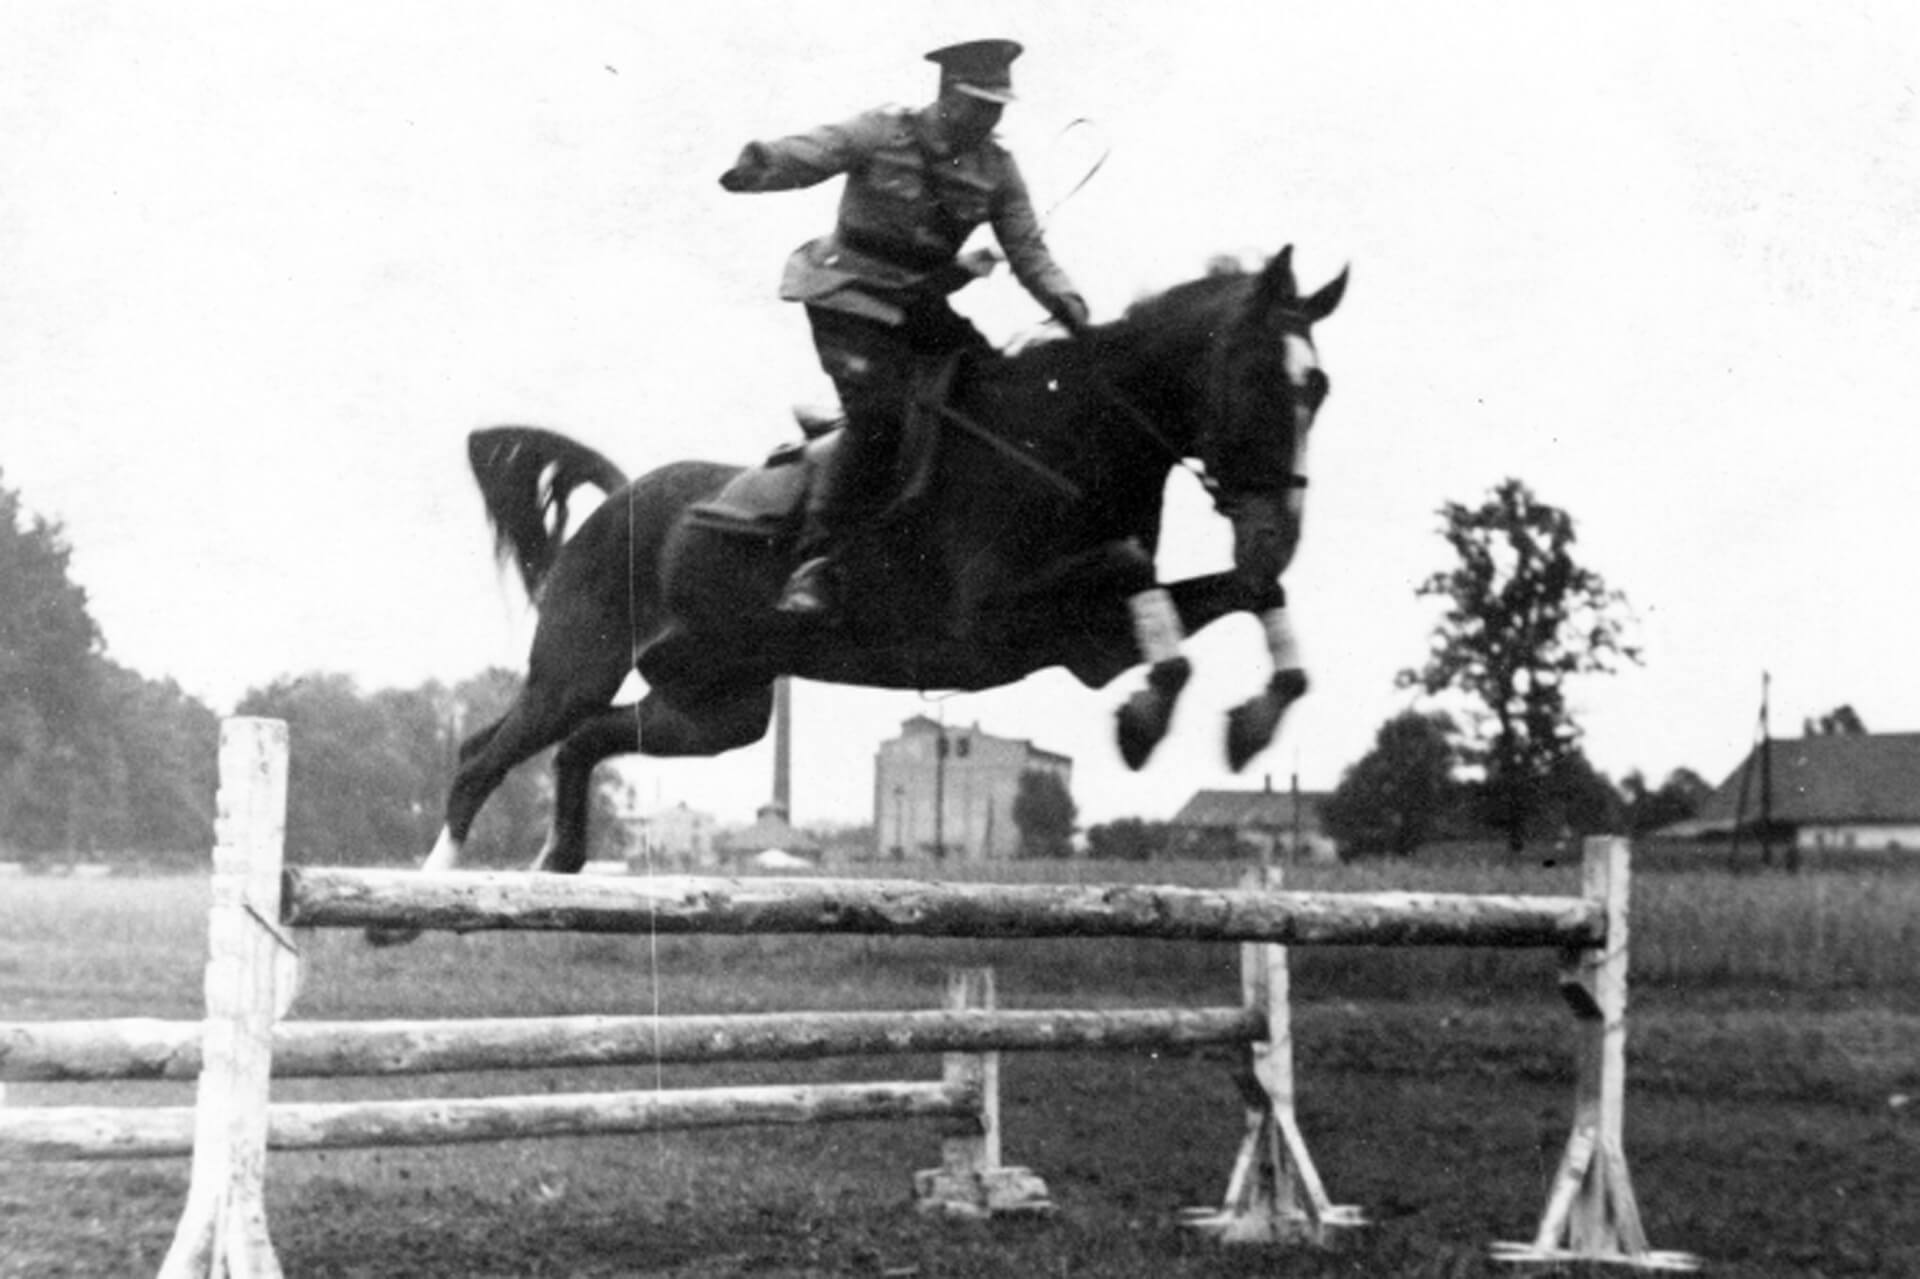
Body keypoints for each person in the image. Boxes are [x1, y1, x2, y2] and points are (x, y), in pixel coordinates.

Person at [719, 38, 1090, 618]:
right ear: (947, 95)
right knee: (880, 417)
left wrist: (1067, 302)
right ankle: (817, 562)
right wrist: (760, 165)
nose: (989, 117)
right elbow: (818, 150)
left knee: (992, 392)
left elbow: (1028, 250)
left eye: (998, 106)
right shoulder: (882, 132)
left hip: (917, 302)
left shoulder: (998, 170)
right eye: (980, 103)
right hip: (846, 294)